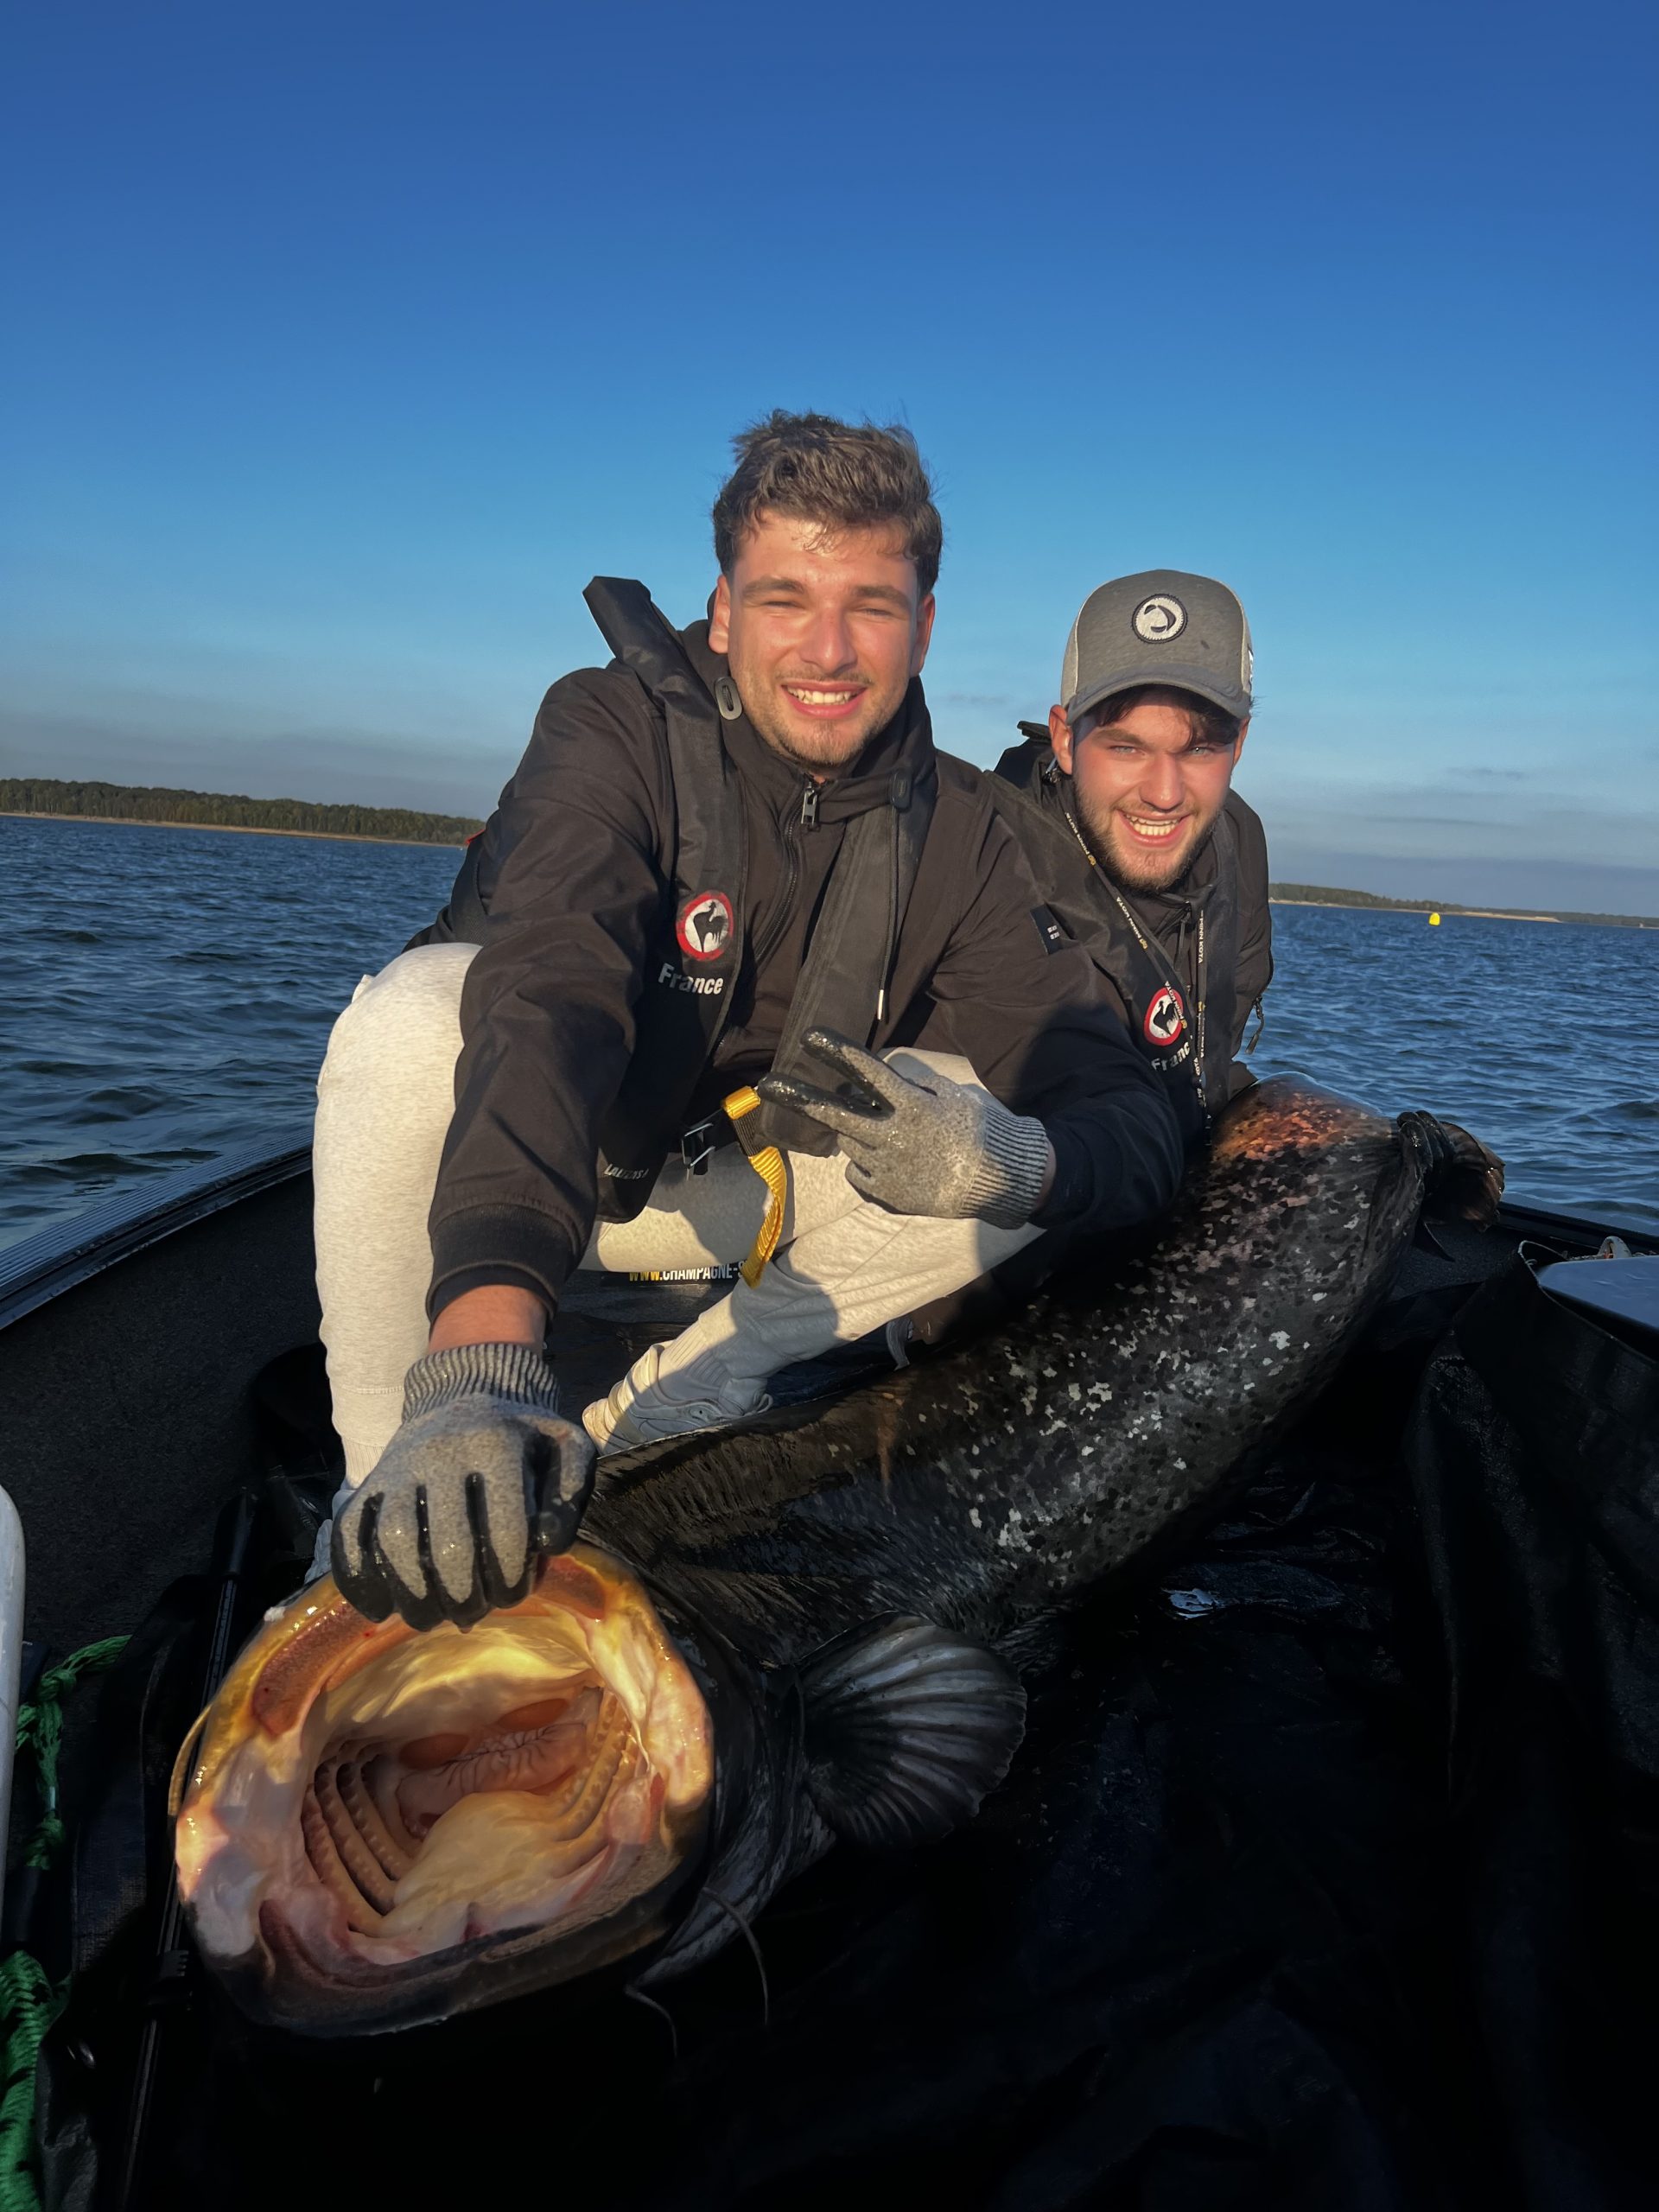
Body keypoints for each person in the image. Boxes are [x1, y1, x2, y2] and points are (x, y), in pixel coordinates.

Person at [313, 414, 1185, 1632]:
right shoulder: (606, 733)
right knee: (413, 1017)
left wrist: (1018, 1161)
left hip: (731, 1201)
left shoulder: (975, 838)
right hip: (517, 1171)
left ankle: (638, 1437)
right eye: (787, 599)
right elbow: (549, 998)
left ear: (925, 626)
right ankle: (386, 1486)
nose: (829, 651)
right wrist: (484, 1352)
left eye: (872, 607)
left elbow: (1132, 1116)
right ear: (723, 611)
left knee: (986, 1129)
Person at [989, 569, 1273, 1148]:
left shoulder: (1239, 842)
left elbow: (1209, 1070)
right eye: (1125, 746)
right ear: (1065, 739)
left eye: (1198, 748)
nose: (1164, 793)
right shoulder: (986, 853)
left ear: (1239, 744)